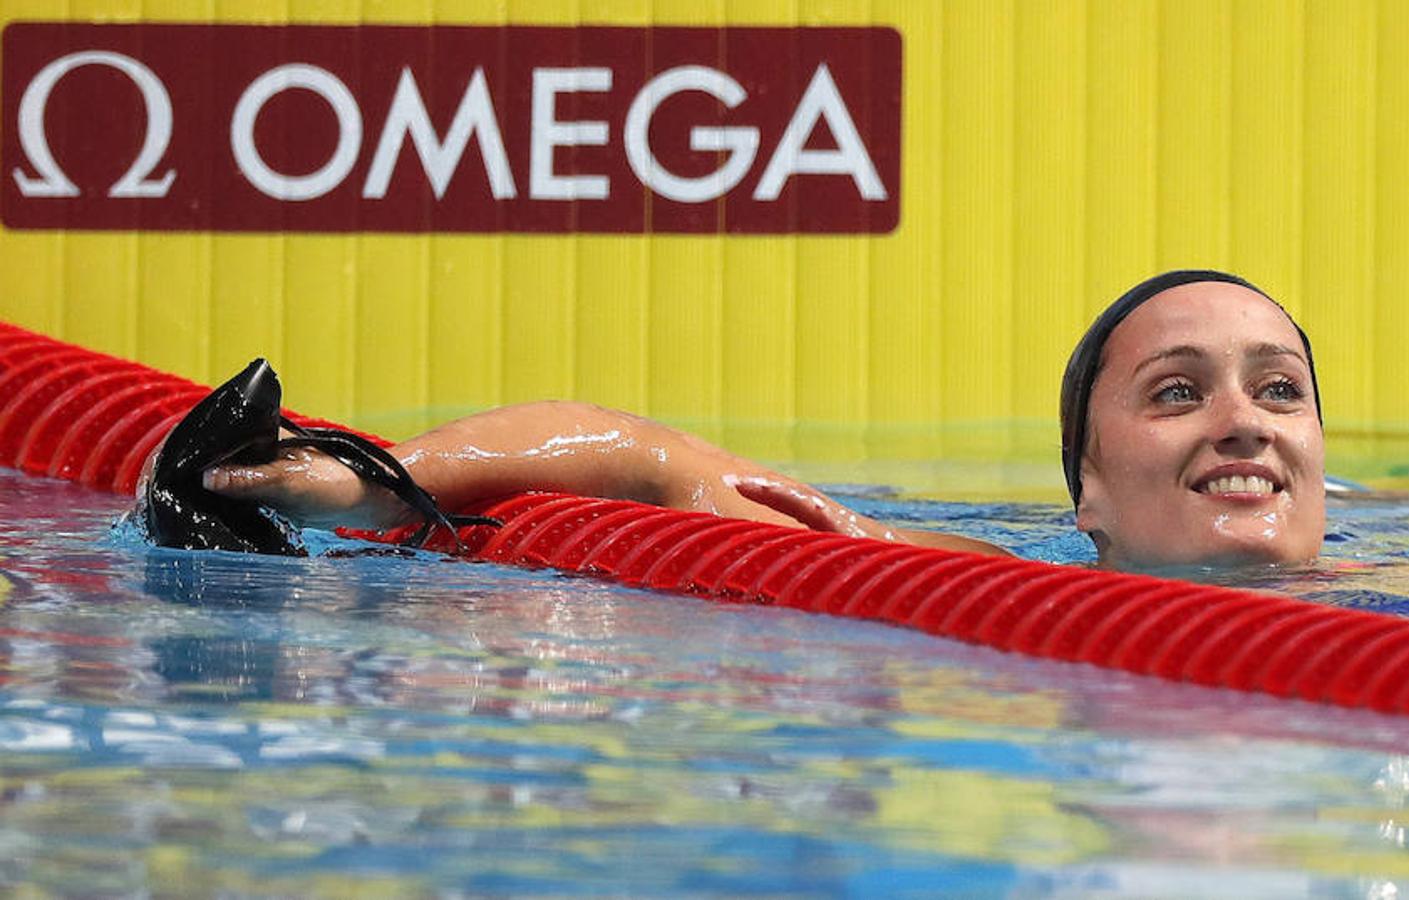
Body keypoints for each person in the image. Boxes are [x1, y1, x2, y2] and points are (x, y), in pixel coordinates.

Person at [203, 270, 1326, 571]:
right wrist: (361, 481)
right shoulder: (981, 581)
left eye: (1277, 390)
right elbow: (645, 459)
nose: (1241, 423)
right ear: (1081, 492)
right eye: (1176, 392)